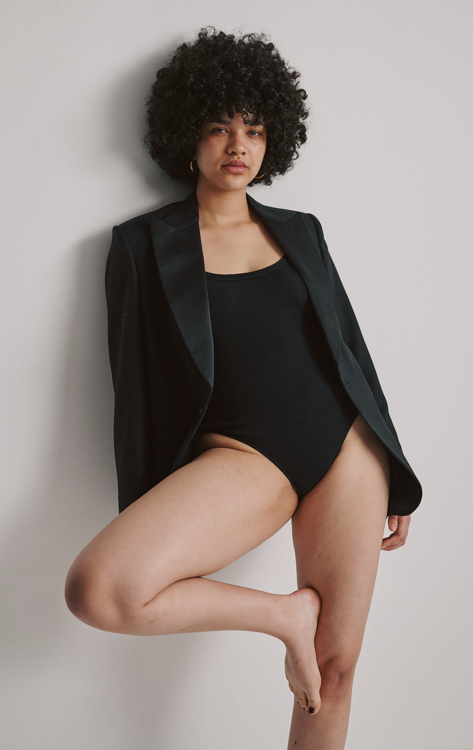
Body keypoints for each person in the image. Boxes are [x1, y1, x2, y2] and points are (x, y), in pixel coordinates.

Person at [65, 26, 422, 749]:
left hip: (347, 446)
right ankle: (283, 616)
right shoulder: (142, 246)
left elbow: (350, 350)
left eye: (254, 130)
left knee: (334, 670)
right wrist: (153, 508)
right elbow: (135, 387)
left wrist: (395, 469)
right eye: (220, 127)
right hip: (244, 454)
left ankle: (306, 636)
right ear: (186, 136)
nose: (238, 145)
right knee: (98, 589)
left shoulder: (302, 231)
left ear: (272, 140)